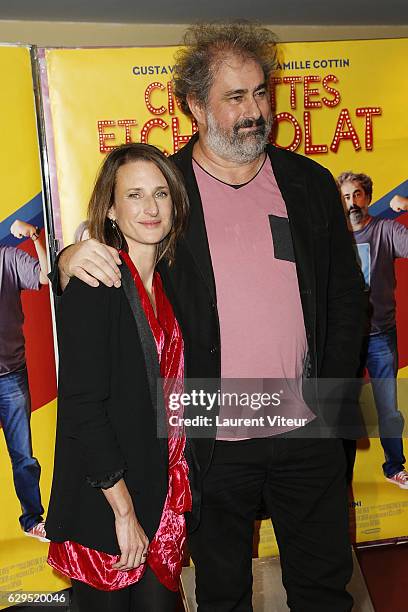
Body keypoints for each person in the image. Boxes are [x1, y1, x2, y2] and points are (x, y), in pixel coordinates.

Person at [53, 23, 365, 612]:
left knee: (325, 588)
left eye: (260, 93)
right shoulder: (168, 190)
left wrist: (328, 396)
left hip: (307, 424)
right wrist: (67, 260)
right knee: (222, 594)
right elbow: (112, 263)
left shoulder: (308, 183)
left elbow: (347, 300)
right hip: (210, 435)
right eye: (235, 97)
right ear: (196, 106)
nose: (255, 111)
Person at [45, 143, 191, 612]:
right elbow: (82, 408)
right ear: (110, 208)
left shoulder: (171, 282)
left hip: (160, 499)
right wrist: (123, 512)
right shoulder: (96, 281)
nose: (150, 208)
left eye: (161, 194)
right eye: (134, 195)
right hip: (107, 505)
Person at [339, 171, 408, 488]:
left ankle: (394, 466)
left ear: (367, 197)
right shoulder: (332, 236)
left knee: (388, 409)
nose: (352, 202)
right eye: (346, 196)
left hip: (381, 335)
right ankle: (339, 474)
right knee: (339, 409)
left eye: (357, 194)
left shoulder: (385, 230)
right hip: (344, 337)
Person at [0, 220, 49, 541]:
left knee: (23, 457)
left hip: (10, 376)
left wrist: (33, 236)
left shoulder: (7, 258)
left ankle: (32, 519)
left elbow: (47, 277)